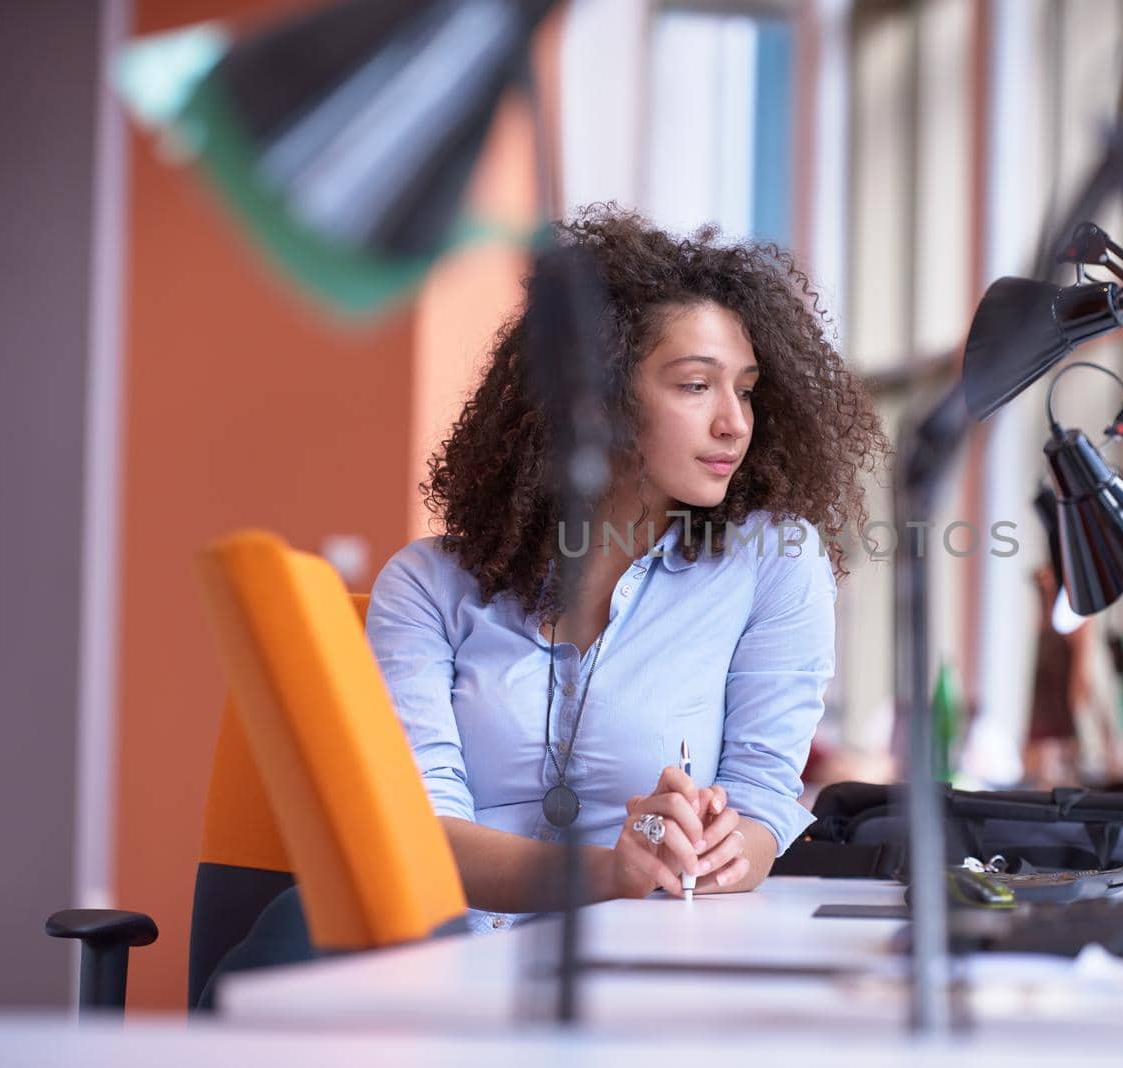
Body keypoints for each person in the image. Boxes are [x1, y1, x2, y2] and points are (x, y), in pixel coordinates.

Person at [367, 205, 886, 926]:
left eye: (746, 388)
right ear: (595, 395)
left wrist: (719, 845)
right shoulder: (426, 586)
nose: (734, 421)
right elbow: (419, 839)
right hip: (452, 966)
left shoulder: (774, 565)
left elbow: (763, 800)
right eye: (695, 385)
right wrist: (611, 870)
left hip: (652, 966)